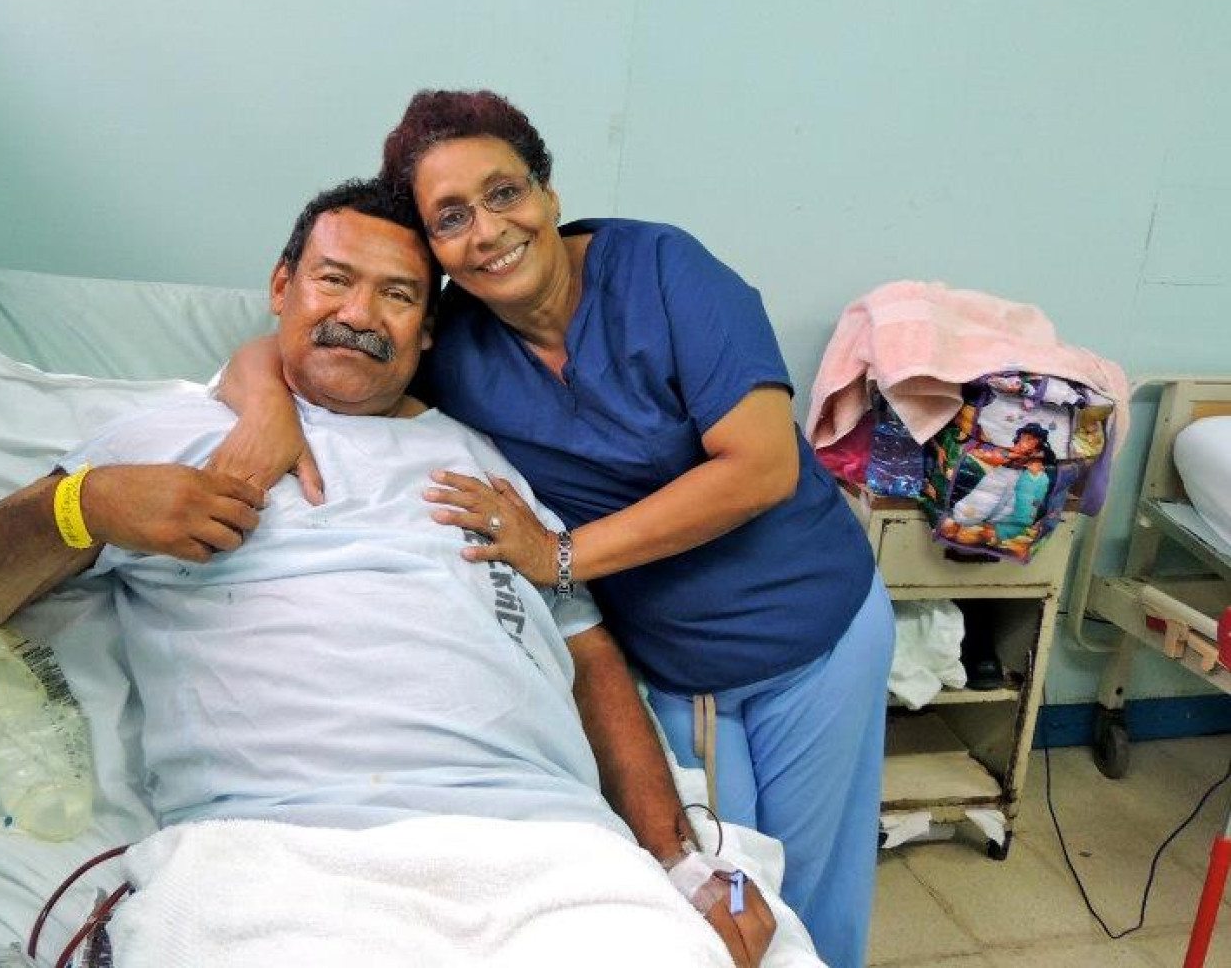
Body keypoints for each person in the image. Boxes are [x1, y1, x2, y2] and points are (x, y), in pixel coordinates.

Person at [0, 179, 776, 967]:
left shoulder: (485, 462)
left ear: (428, 330)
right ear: (281, 288)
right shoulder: (163, 441)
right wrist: (83, 507)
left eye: (398, 296)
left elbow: (587, 652)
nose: (360, 313)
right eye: (333, 279)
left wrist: (678, 859)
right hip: (270, 855)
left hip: (548, 850)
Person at [212, 94, 894, 968]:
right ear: (436, 251)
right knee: (728, 904)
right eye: (451, 218)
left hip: (817, 629)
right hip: (674, 665)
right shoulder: (453, 343)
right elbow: (309, 345)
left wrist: (560, 557)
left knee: (818, 910)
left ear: (548, 190)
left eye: (505, 193)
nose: (489, 230)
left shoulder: (663, 271)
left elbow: (762, 467)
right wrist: (264, 409)